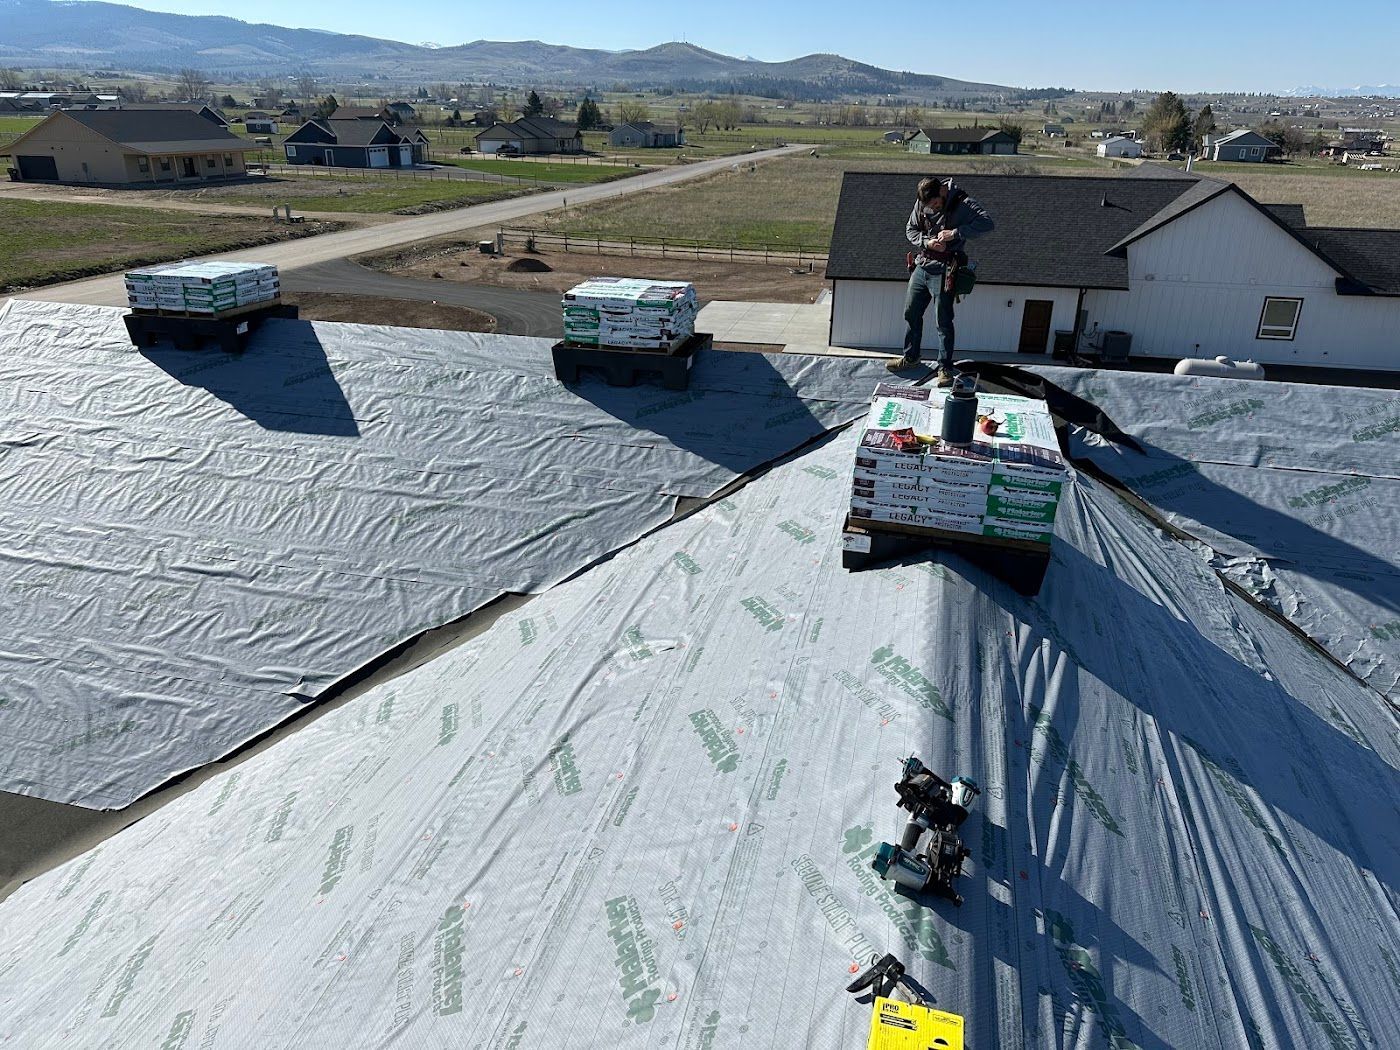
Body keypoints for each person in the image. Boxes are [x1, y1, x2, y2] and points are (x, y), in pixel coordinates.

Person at [888, 176, 994, 383]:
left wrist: (956, 233)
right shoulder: (922, 200)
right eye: (929, 206)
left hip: (946, 269)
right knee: (911, 312)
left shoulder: (964, 204)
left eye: (936, 204)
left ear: (943, 192)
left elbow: (987, 223)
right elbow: (911, 229)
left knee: (943, 321)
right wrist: (927, 242)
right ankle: (911, 358)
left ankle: (945, 368)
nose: (933, 209)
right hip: (923, 263)